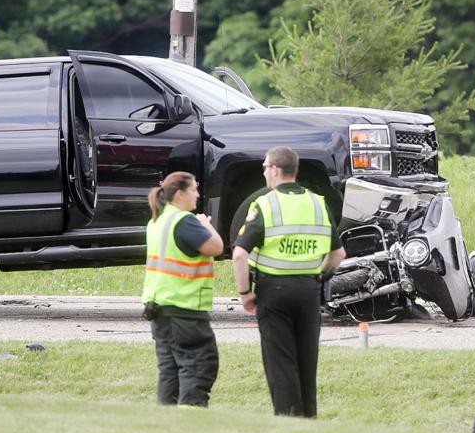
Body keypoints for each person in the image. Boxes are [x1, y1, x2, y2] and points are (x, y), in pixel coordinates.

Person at [232, 147, 345, 417]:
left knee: (280, 362)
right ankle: (308, 419)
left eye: (264, 167)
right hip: (308, 291)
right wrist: (319, 274)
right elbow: (338, 254)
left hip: (274, 292)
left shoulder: (265, 204)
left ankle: (288, 419)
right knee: (307, 361)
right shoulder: (317, 203)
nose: (263, 172)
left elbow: (239, 254)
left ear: (274, 169)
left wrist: (245, 292)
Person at [142, 171, 224, 407]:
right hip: (184, 308)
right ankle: (190, 418)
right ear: (180, 194)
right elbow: (216, 247)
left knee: (170, 369)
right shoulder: (184, 221)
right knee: (198, 366)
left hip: (159, 306)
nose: (198, 194)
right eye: (194, 190)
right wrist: (206, 225)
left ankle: (167, 419)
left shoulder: (158, 219)